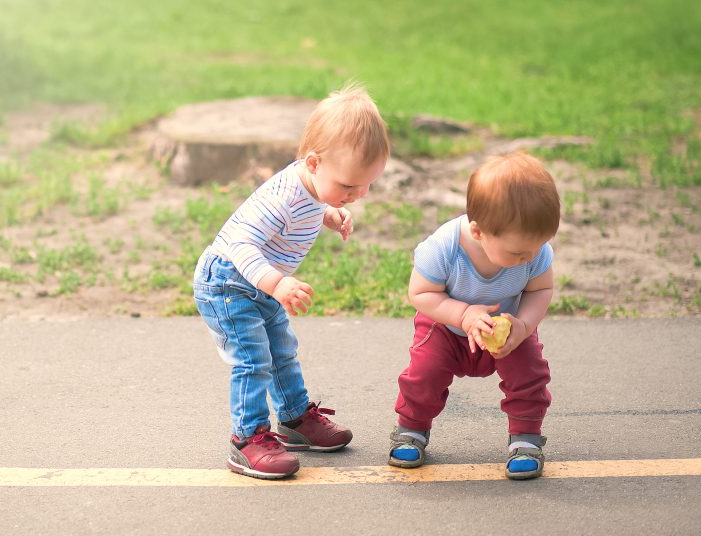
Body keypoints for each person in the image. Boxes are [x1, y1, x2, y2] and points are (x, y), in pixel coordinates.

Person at [194, 83, 389, 479]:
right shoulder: (281, 197)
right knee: (253, 360)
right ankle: (246, 439)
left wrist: (328, 213)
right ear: (314, 163)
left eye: (366, 184)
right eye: (348, 186)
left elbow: (310, 205)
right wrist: (278, 284)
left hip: (259, 283)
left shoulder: (314, 186)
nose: (358, 194)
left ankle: (294, 419)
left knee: (282, 349)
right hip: (229, 284)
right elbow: (240, 244)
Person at [388, 151, 560, 480]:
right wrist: (464, 314)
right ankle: (412, 429)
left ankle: (525, 437)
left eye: (537, 247)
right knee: (423, 375)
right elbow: (421, 293)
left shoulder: (533, 252)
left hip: (508, 328)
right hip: (446, 328)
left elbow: (540, 291)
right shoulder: (444, 248)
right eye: (518, 252)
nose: (529, 257)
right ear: (479, 232)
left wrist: (523, 326)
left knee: (530, 375)